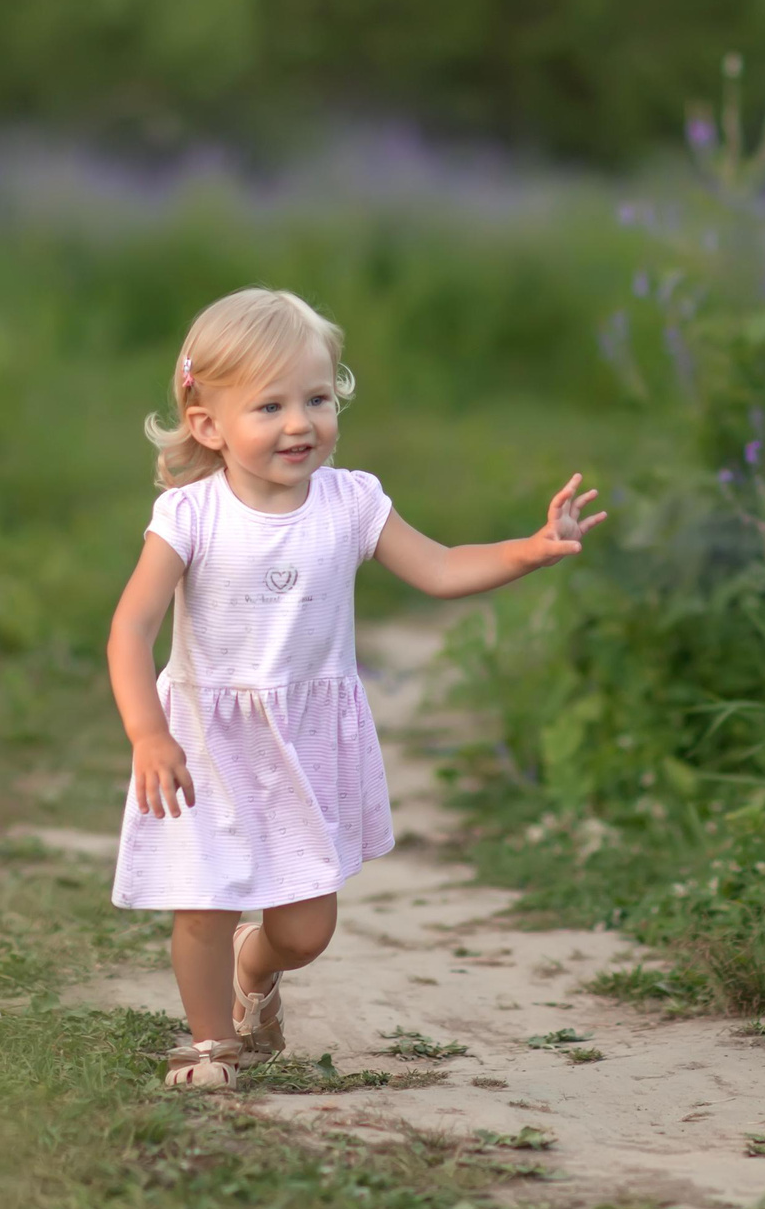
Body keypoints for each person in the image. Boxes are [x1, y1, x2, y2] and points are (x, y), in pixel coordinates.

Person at [103, 288, 605, 1089]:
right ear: (209, 425)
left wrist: (532, 548)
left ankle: (256, 969)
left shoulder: (351, 501)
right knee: (205, 900)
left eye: (317, 398)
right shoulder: (188, 516)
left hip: (301, 739)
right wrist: (147, 733)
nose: (300, 423)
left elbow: (439, 567)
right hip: (207, 738)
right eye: (270, 406)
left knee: (304, 929)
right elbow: (131, 629)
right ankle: (207, 1045)